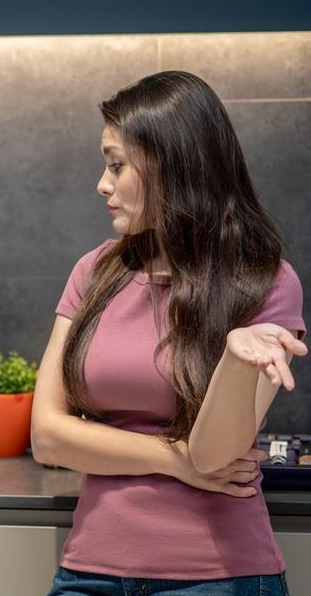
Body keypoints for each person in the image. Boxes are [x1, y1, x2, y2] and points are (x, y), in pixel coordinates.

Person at [32, 70, 306, 595]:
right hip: (89, 570)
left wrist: (235, 360)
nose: (102, 183)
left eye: (117, 165)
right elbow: (47, 436)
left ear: (171, 165)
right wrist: (172, 459)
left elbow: (216, 457)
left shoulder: (263, 281)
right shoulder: (94, 272)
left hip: (216, 577)